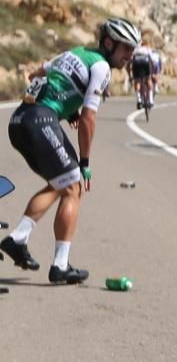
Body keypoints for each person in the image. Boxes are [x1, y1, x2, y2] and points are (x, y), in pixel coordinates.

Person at [3, 17, 140, 284]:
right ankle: (60, 265)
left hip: (20, 121)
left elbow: (37, 75)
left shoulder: (76, 52)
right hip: (41, 121)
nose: (129, 56)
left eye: (133, 51)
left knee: (61, 184)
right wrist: (85, 162)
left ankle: (18, 239)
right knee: (74, 185)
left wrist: (66, 107)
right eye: (126, 49)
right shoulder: (101, 67)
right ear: (109, 43)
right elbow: (89, 118)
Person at [128, 30, 159, 109]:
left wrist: (130, 76)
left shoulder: (135, 49)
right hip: (146, 64)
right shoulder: (148, 49)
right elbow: (153, 61)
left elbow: (129, 63)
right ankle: (151, 100)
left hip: (136, 64)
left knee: (137, 81)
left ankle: (138, 99)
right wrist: (152, 74)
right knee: (148, 80)